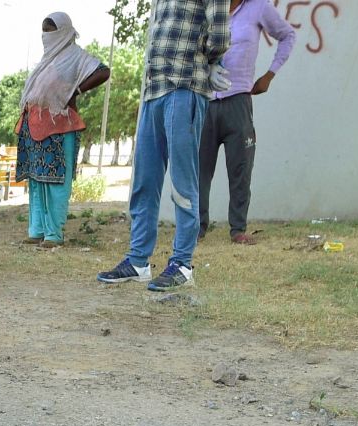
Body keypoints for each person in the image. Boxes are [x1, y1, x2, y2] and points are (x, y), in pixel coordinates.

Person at [97, 0, 230, 293]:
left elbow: (219, 30)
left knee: (183, 184)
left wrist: (210, 60)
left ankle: (182, 264)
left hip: (184, 87)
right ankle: (138, 261)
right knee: (144, 182)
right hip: (153, 91)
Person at [199, 0, 295, 245]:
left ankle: (238, 229)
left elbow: (287, 35)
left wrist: (269, 75)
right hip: (204, 100)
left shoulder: (259, 7)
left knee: (240, 168)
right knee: (199, 169)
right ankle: (197, 227)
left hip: (238, 100)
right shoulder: (209, 7)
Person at [16, 13, 111, 249]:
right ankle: (36, 230)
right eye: (44, 31)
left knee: (55, 182)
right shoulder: (46, 60)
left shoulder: (76, 57)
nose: (47, 36)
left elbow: (103, 71)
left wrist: (76, 91)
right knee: (37, 181)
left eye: (52, 31)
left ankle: (54, 234)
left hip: (59, 127)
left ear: (65, 32)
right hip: (34, 125)